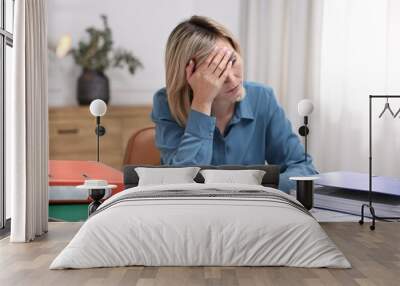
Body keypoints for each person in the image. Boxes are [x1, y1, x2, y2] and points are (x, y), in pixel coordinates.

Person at [150, 15, 317, 193]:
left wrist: (256, 191)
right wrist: (202, 101)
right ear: (188, 77)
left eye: (232, 61)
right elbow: (181, 185)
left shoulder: (262, 97)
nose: (231, 78)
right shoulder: (166, 103)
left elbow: (303, 168)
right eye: (216, 71)